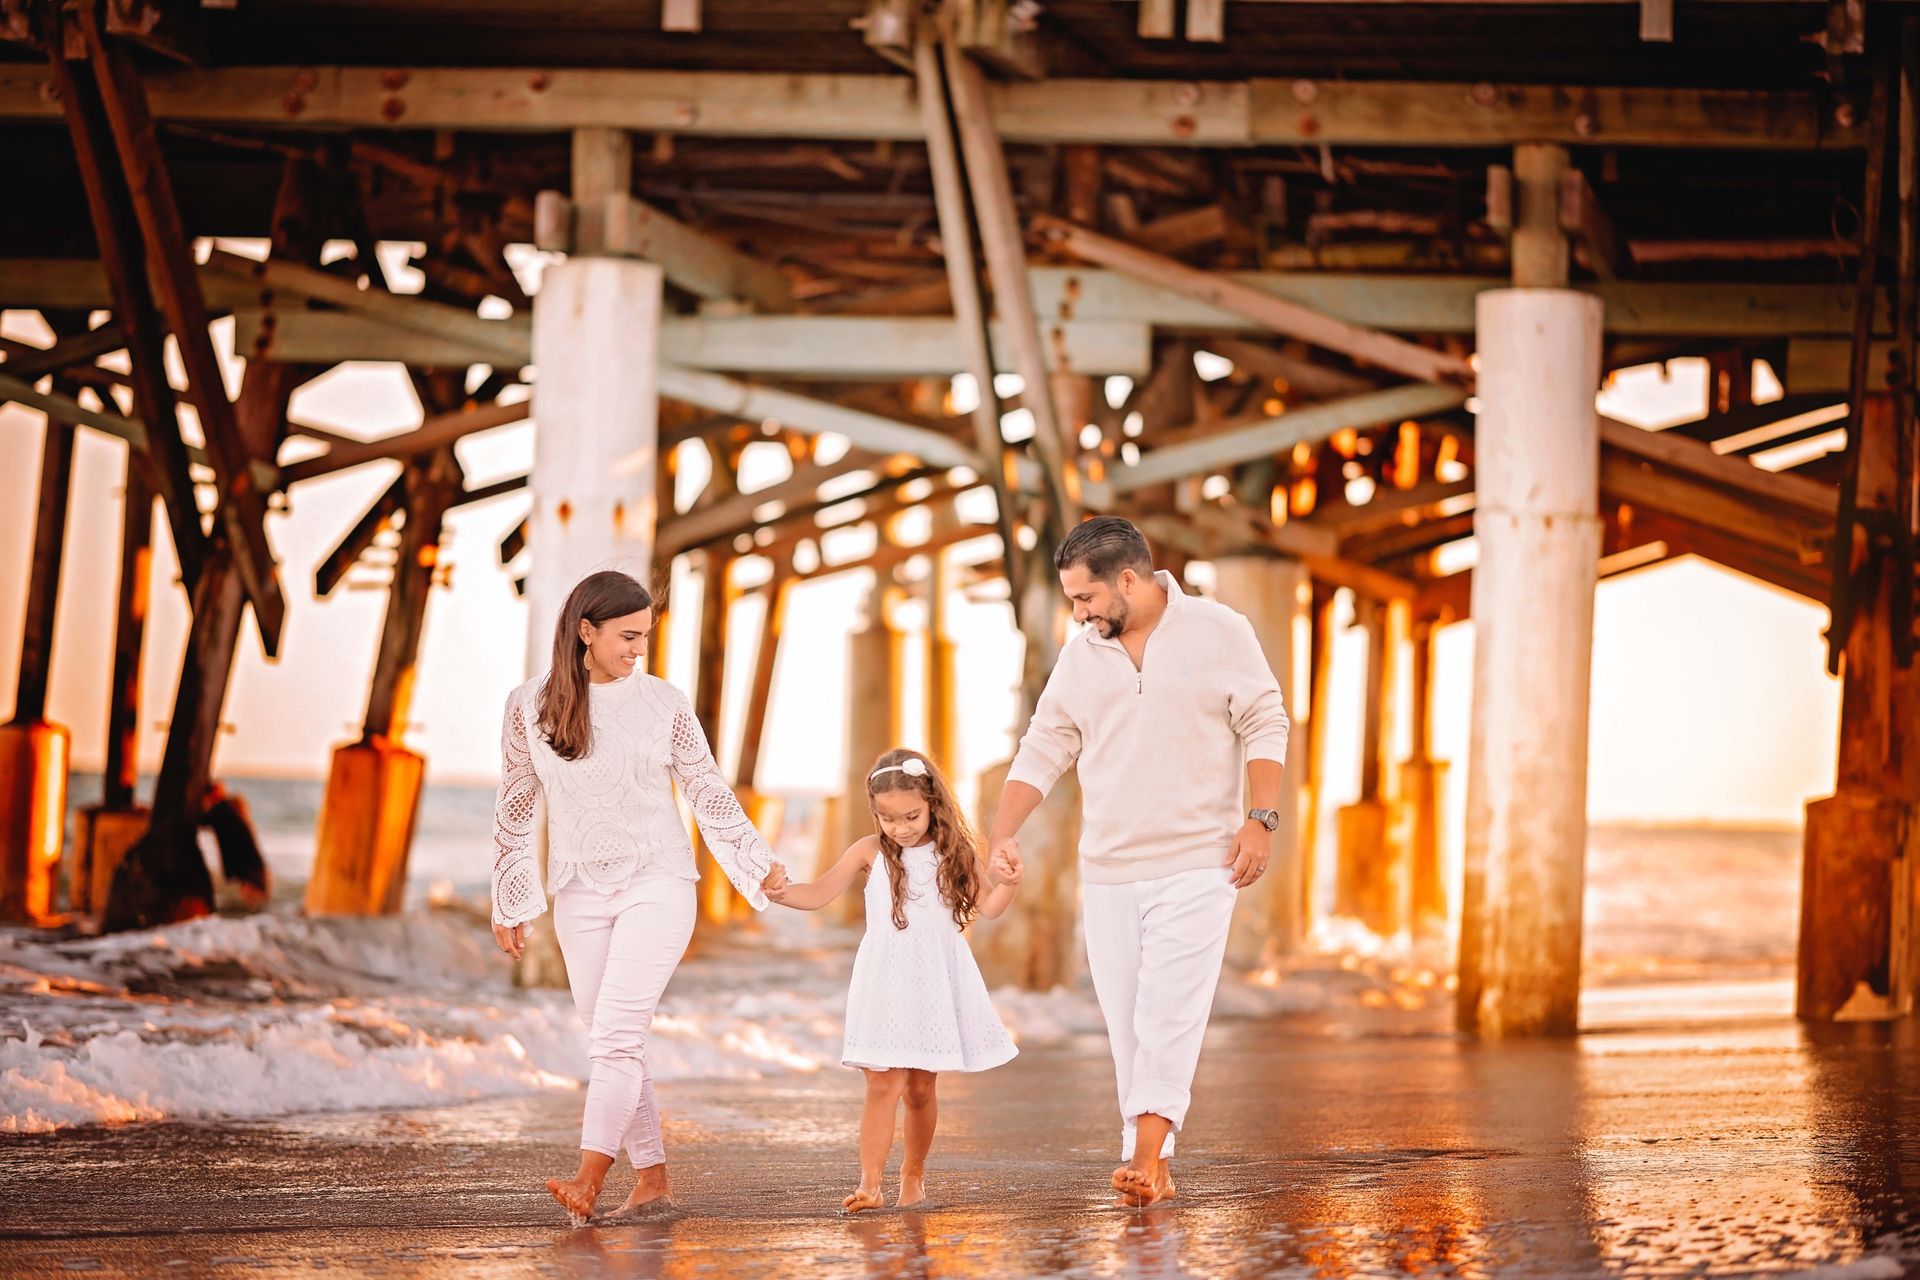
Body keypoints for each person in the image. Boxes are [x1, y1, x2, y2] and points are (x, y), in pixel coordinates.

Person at [987, 516, 1289, 1207]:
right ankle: (1156, 1161)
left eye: (1085, 599)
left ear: (1129, 579)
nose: (1080, 614)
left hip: (1198, 863)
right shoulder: (1082, 656)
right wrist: (1003, 833)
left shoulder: (1220, 630)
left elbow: (1265, 719)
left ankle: (1144, 1159)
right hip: (1110, 870)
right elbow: (1044, 746)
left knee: (1167, 1015)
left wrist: (1260, 819)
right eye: (1071, 601)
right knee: (1128, 1029)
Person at [489, 569, 790, 1226]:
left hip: (658, 882)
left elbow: (706, 790)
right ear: (585, 632)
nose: (637, 650)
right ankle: (650, 1179)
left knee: (616, 1040)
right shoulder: (527, 705)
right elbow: (516, 801)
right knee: (612, 1039)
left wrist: (755, 862)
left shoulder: (665, 704)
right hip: (577, 891)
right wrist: (511, 900)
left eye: (645, 638)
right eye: (627, 636)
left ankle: (588, 1179)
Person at [769, 747, 1021, 1213]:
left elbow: (988, 908)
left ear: (932, 805)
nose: (900, 828)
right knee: (882, 1083)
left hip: (934, 982)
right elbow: (820, 892)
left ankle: (913, 1173)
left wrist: (1007, 883)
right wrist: (782, 894)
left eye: (910, 816)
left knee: (921, 1090)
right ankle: (869, 1184)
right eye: (887, 818)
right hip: (883, 980)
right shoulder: (868, 851)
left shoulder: (954, 852)